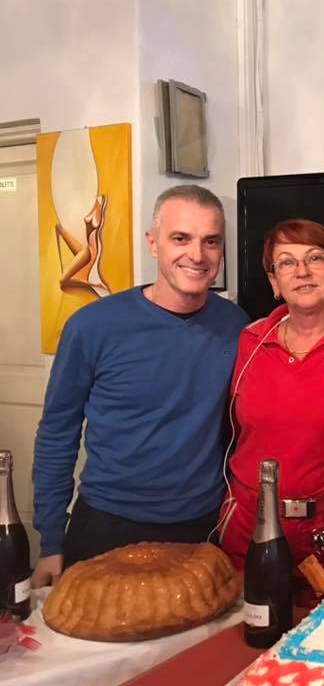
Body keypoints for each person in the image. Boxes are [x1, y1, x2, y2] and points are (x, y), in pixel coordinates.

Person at [31, 185, 249, 585]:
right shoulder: (93, 326)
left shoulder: (237, 326)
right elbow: (56, 433)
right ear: (153, 243)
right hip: (107, 525)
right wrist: (50, 540)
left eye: (211, 241)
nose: (197, 255)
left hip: (203, 528)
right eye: (180, 238)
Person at [218, 219, 324, 603]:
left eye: (316, 257)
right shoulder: (248, 342)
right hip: (249, 525)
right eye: (286, 263)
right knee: (242, 644)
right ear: (274, 282)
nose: (302, 271)